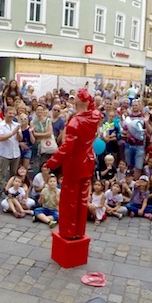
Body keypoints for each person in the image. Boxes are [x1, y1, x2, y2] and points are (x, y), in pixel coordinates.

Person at [44, 88, 102, 240]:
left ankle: (68, 232)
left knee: (69, 200)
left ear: (77, 101)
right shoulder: (95, 116)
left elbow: (67, 148)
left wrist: (51, 163)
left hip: (74, 165)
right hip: (87, 162)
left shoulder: (75, 122)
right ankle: (79, 231)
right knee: (82, 199)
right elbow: (94, 109)